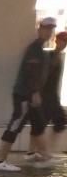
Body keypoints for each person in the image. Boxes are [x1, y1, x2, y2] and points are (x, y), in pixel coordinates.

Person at [0, 17, 57, 172]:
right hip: (25, 95)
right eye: (45, 29)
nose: (48, 32)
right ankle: (0, 160)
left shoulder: (41, 49)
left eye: (50, 29)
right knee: (15, 125)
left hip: (30, 95)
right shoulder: (35, 48)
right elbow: (32, 71)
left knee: (39, 124)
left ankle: (44, 156)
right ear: (39, 29)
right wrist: (34, 92)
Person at [25, 30, 67, 162]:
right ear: (56, 40)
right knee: (42, 124)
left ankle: (39, 151)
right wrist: (37, 93)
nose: (64, 44)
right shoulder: (50, 56)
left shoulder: (58, 56)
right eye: (63, 41)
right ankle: (42, 152)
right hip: (46, 96)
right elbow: (41, 77)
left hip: (52, 95)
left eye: (66, 42)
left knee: (55, 122)